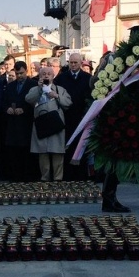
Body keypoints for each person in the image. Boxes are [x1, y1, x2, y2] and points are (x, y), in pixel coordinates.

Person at [26, 67, 71, 181]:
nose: (46, 76)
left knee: (57, 152)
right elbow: (28, 99)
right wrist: (40, 89)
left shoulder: (60, 89)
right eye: (43, 74)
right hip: (41, 124)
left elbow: (68, 103)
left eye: (49, 74)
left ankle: (58, 179)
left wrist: (56, 95)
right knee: (43, 152)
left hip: (56, 124)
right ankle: (45, 178)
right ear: (40, 76)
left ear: (53, 76)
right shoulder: (34, 89)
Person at [54, 53, 93, 181]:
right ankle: (68, 175)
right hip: (66, 117)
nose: (73, 65)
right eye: (71, 62)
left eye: (75, 62)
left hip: (82, 118)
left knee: (81, 146)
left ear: (81, 63)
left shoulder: (88, 78)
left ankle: (81, 175)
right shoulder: (61, 78)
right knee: (67, 146)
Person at [3, 61, 37, 181]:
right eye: (17, 74)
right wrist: (7, 108)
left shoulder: (33, 84)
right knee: (13, 152)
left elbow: (35, 103)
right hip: (12, 124)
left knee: (26, 151)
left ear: (26, 71)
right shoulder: (10, 86)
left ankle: (26, 176)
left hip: (26, 124)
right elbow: (4, 101)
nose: (19, 76)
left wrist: (24, 110)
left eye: (21, 73)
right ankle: (14, 176)